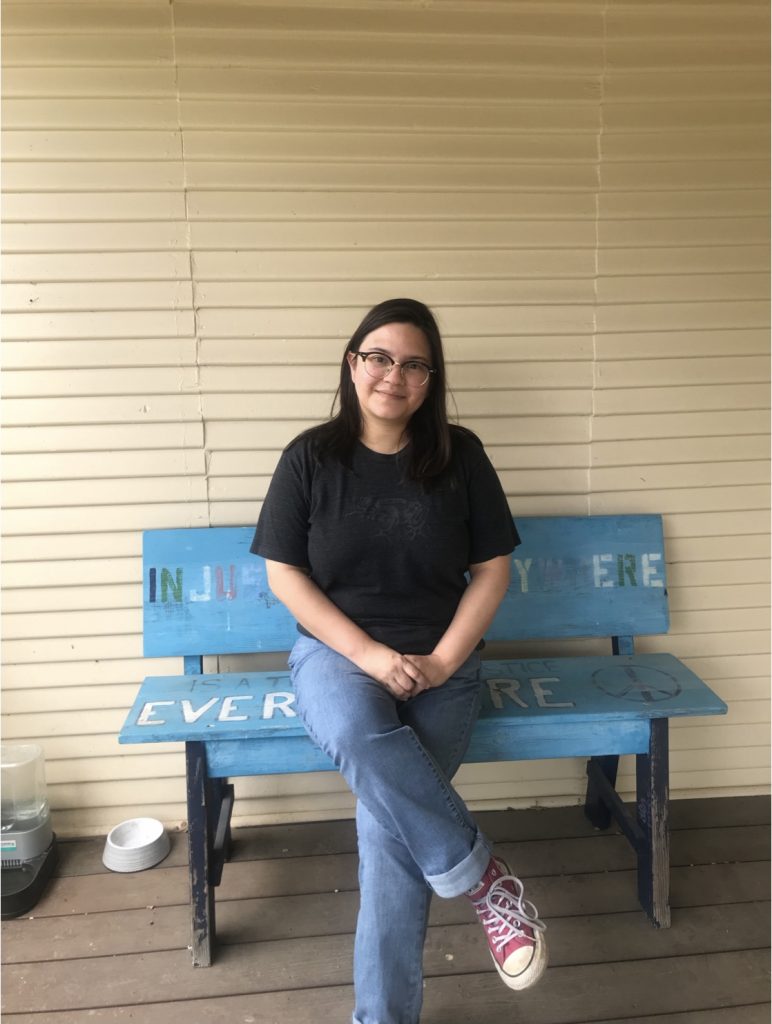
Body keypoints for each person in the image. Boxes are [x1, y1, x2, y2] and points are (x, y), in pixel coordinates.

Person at [251, 298, 547, 1023]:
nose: (395, 375)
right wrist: (373, 656)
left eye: (415, 363)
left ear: (430, 380)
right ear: (353, 365)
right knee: (357, 734)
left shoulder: (460, 456)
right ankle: (484, 881)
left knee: (389, 829)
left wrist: (443, 662)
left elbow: (492, 571)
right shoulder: (311, 458)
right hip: (336, 655)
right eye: (380, 357)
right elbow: (285, 575)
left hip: (443, 664)